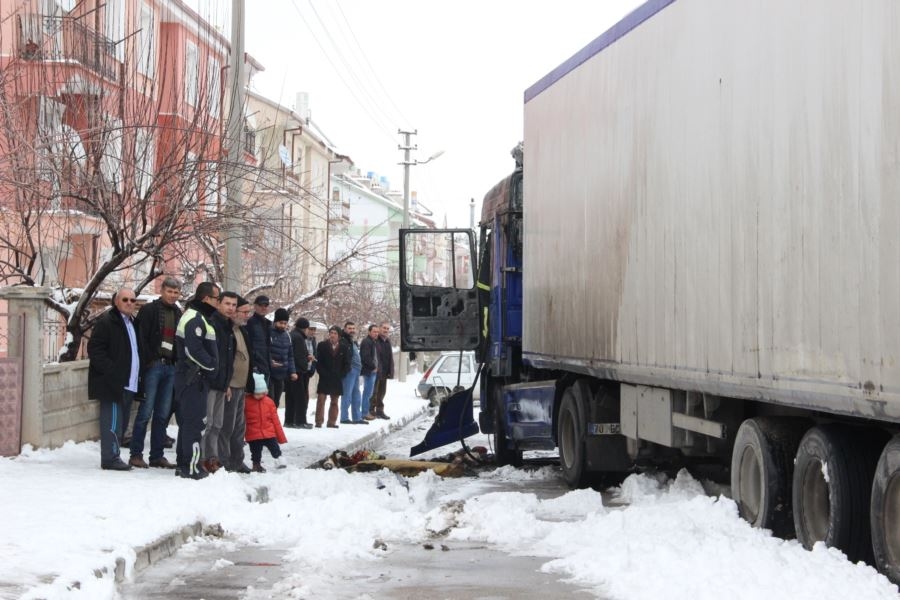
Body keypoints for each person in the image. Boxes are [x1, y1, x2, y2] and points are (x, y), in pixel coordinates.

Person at [129, 277, 181, 469]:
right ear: (162, 290)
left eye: (176, 292)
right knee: (145, 412)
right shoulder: (149, 310)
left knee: (162, 414)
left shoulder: (178, 312)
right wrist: (148, 360)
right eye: (170, 291)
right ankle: (136, 454)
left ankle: (157, 455)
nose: (173, 295)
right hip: (153, 366)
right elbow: (142, 338)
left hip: (170, 367)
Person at [88, 288, 141, 471]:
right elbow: (95, 350)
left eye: (133, 300)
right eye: (125, 299)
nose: (129, 303)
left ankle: (115, 454)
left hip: (129, 382)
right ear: (116, 301)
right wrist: (112, 371)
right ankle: (110, 458)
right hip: (111, 382)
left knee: (121, 422)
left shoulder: (132, 322)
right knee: (111, 422)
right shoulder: (107, 322)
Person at [173, 282, 220, 480]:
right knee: (195, 424)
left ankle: (184, 464)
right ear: (206, 299)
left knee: (188, 424)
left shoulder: (201, 317)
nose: (218, 303)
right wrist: (212, 365)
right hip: (193, 379)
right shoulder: (194, 318)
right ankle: (191, 467)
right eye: (217, 298)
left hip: (195, 379)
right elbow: (193, 350)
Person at [200, 290, 237, 474]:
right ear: (219, 303)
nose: (230, 308)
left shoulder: (230, 327)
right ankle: (201, 459)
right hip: (209, 382)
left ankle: (212, 458)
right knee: (206, 424)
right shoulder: (212, 323)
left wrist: (227, 383)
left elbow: (229, 359)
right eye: (227, 303)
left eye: (234, 305)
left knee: (217, 424)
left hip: (222, 384)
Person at [220, 296, 254, 473]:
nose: (247, 315)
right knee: (227, 426)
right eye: (244, 312)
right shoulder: (227, 330)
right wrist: (226, 383)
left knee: (239, 427)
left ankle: (237, 460)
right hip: (230, 385)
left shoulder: (242, 330)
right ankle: (224, 461)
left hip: (241, 385)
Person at [244, 372, 288, 472]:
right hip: (253, 434)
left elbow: (275, 420)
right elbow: (241, 420)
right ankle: (256, 465)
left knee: (275, 447)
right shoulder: (246, 401)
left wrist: (281, 437)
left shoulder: (269, 402)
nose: (259, 396)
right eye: (257, 393)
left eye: (261, 393)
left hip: (269, 432)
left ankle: (280, 459)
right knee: (255, 451)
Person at [315, 325, 350, 428]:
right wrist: (322, 372)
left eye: (335, 333)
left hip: (337, 378)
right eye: (331, 333)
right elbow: (318, 361)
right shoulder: (322, 345)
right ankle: (318, 421)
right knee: (321, 399)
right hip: (324, 377)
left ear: (339, 336)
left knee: (334, 401)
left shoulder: (344, 347)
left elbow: (347, 364)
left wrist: (342, 374)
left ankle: (332, 422)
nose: (332, 335)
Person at [285, 317, 316, 428]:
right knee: (300, 398)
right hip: (298, 372)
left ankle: (289, 420)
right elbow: (298, 356)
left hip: (292, 371)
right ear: (305, 328)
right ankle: (300, 421)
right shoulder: (298, 338)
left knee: (291, 397)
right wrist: (307, 362)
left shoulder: (292, 335)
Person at [268, 307, 298, 408]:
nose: (283, 326)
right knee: (269, 401)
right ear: (275, 321)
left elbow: (290, 355)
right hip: (270, 374)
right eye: (281, 323)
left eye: (285, 323)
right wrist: (270, 361)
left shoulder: (287, 336)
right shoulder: (268, 333)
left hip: (282, 374)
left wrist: (292, 371)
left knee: (276, 402)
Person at [340, 321, 366, 425]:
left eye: (353, 328)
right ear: (345, 329)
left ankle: (357, 417)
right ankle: (344, 417)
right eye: (350, 328)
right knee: (347, 395)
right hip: (349, 370)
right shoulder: (343, 340)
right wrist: (347, 367)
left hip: (357, 370)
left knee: (356, 394)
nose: (352, 330)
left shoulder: (352, 341)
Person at [369, 321, 394, 420]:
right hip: (376, 371)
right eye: (384, 328)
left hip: (385, 371)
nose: (386, 330)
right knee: (373, 392)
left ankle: (380, 411)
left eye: (387, 329)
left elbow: (390, 357)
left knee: (382, 392)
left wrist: (390, 370)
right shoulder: (375, 340)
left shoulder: (388, 341)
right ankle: (371, 411)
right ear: (380, 329)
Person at [245, 295, 272, 386]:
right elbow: (248, 346)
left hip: (266, 366)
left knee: (265, 398)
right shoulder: (250, 323)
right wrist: (254, 365)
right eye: (261, 305)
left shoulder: (268, 324)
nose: (263, 308)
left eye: (266, 305)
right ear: (255, 306)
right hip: (256, 367)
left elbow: (267, 346)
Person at [359, 324, 380, 422]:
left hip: (373, 371)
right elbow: (365, 357)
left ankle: (366, 412)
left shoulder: (373, 342)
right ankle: (364, 413)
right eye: (374, 331)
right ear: (369, 332)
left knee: (369, 393)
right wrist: (373, 367)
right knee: (367, 393)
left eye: (377, 332)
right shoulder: (366, 342)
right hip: (369, 371)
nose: (376, 333)